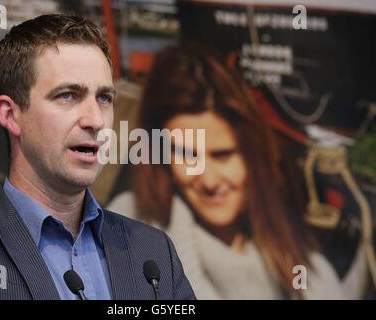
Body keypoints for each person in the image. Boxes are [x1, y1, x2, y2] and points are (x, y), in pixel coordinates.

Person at [0, 15, 195, 300]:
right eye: (67, 95)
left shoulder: (153, 252)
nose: (95, 120)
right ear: (10, 114)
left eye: (104, 98)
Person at [108, 44, 369, 299]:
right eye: (187, 155)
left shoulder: (304, 264)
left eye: (223, 155)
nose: (209, 180)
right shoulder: (128, 229)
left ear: (252, 152)